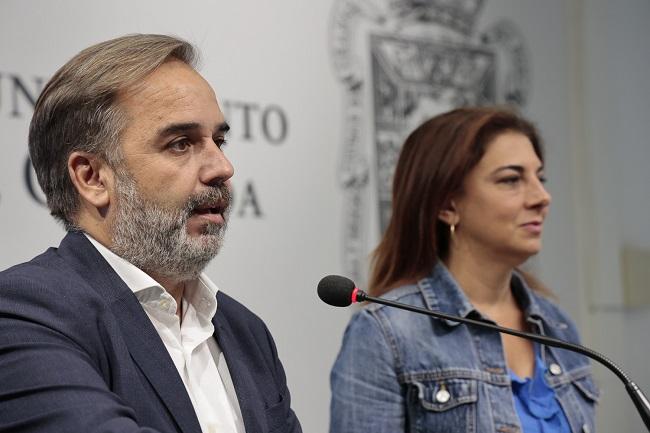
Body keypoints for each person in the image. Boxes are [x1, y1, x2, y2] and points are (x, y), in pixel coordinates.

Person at [0, 34, 301, 433]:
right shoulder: (25, 312)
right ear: (92, 177)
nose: (222, 167)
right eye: (180, 144)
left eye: (219, 140)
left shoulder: (246, 331)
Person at [329, 107, 598, 433]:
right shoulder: (386, 335)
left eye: (539, 178)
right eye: (511, 180)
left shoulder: (558, 326)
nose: (542, 197)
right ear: (447, 206)